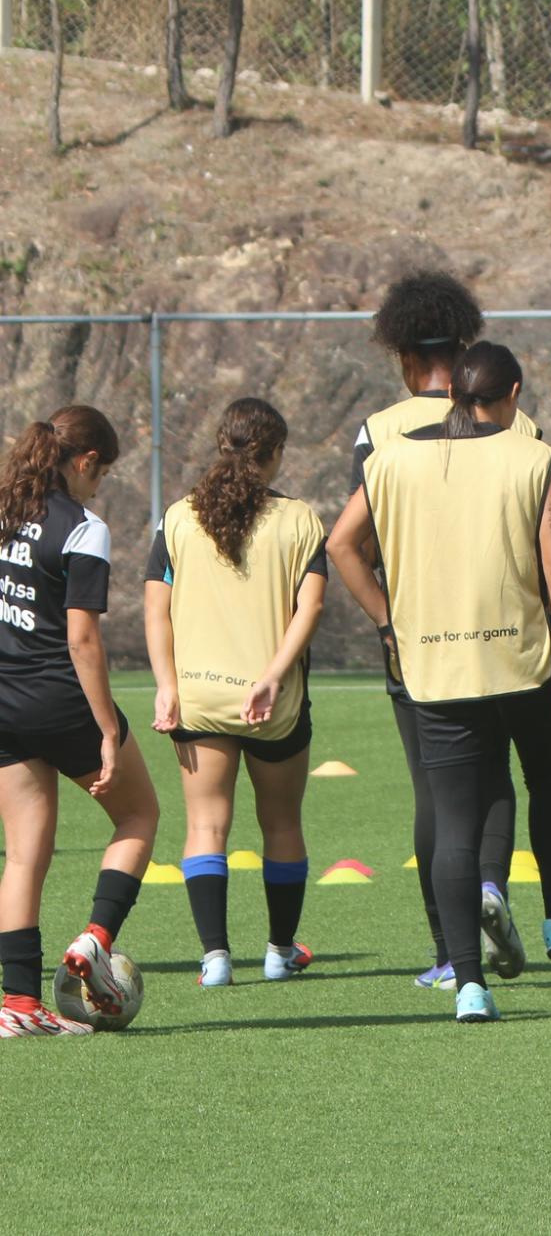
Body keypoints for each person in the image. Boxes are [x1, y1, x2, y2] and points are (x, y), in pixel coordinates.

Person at [328, 343, 551, 1024]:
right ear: (514, 393)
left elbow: (339, 547)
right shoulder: (533, 455)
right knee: (547, 779)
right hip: (522, 658)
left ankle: (468, 982)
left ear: (451, 398)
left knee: (454, 821)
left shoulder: (390, 460)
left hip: (436, 664)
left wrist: (389, 622)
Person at [143, 399, 325, 988]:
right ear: (274, 455)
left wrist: (167, 686)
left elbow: (155, 609)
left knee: (205, 826)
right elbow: (311, 605)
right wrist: (272, 675)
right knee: (281, 822)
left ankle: (215, 958)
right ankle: (277, 952)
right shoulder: (300, 520)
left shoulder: (177, 517)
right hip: (272, 705)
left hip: (199, 700)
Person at [0, 406, 159, 1035]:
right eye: (103, 473)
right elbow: (83, 641)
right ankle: (95, 938)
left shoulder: (5, 511)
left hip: (4, 698)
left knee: (23, 854)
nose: (101, 487)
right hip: (60, 700)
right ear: (86, 462)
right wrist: (108, 734)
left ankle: (17, 1004)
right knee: (139, 815)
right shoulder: (82, 527)